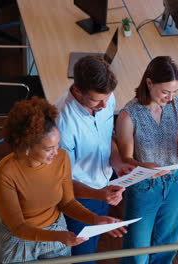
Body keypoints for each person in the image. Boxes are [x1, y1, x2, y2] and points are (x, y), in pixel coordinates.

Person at [0, 97, 125, 263]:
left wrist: (95, 219)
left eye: (57, 146)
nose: (56, 153)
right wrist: (58, 236)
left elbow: (67, 202)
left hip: (56, 231)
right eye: (49, 149)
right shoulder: (5, 172)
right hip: (20, 240)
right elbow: (18, 227)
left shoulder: (61, 157)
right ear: (26, 146)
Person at [116, 56, 178, 264]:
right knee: (136, 253)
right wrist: (145, 167)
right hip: (143, 187)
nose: (170, 98)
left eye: (174, 92)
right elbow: (126, 161)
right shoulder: (128, 115)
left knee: (166, 247)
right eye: (165, 92)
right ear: (149, 83)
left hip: (174, 183)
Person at [56, 56, 133, 263]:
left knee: (91, 247)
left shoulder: (106, 99)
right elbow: (62, 182)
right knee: (81, 256)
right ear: (78, 90)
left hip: (104, 186)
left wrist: (117, 163)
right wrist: (99, 194)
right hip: (79, 196)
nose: (105, 105)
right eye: (97, 100)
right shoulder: (63, 122)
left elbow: (107, 138)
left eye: (107, 99)